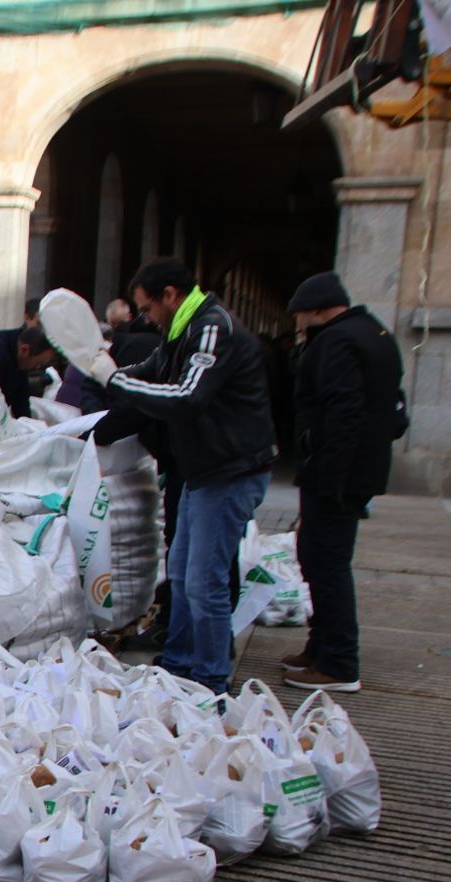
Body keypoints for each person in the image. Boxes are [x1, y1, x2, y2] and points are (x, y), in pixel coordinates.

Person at [86, 258, 277, 695]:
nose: (145, 318)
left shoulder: (212, 327)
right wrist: (107, 371)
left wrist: (115, 381)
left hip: (230, 470)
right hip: (203, 469)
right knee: (183, 570)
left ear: (170, 295)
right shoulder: (180, 331)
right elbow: (152, 370)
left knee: (205, 579)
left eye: (147, 308)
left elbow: (188, 395)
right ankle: (180, 664)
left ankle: (209, 680)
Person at [283, 271, 406, 692]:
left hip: (334, 476)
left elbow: (342, 413)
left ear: (318, 310)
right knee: (319, 558)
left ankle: (338, 661)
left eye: (300, 315)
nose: (297, 324)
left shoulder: (336, 341)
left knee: (326, 562)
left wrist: (328, 473)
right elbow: (396, 414)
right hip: (356, 472)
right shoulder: (377, 334)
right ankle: (321, 648)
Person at [0, 324, 58, 419]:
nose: (37, 367)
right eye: (38, 363)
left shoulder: (20, 356)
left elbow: (21, 400)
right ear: (24, 350)